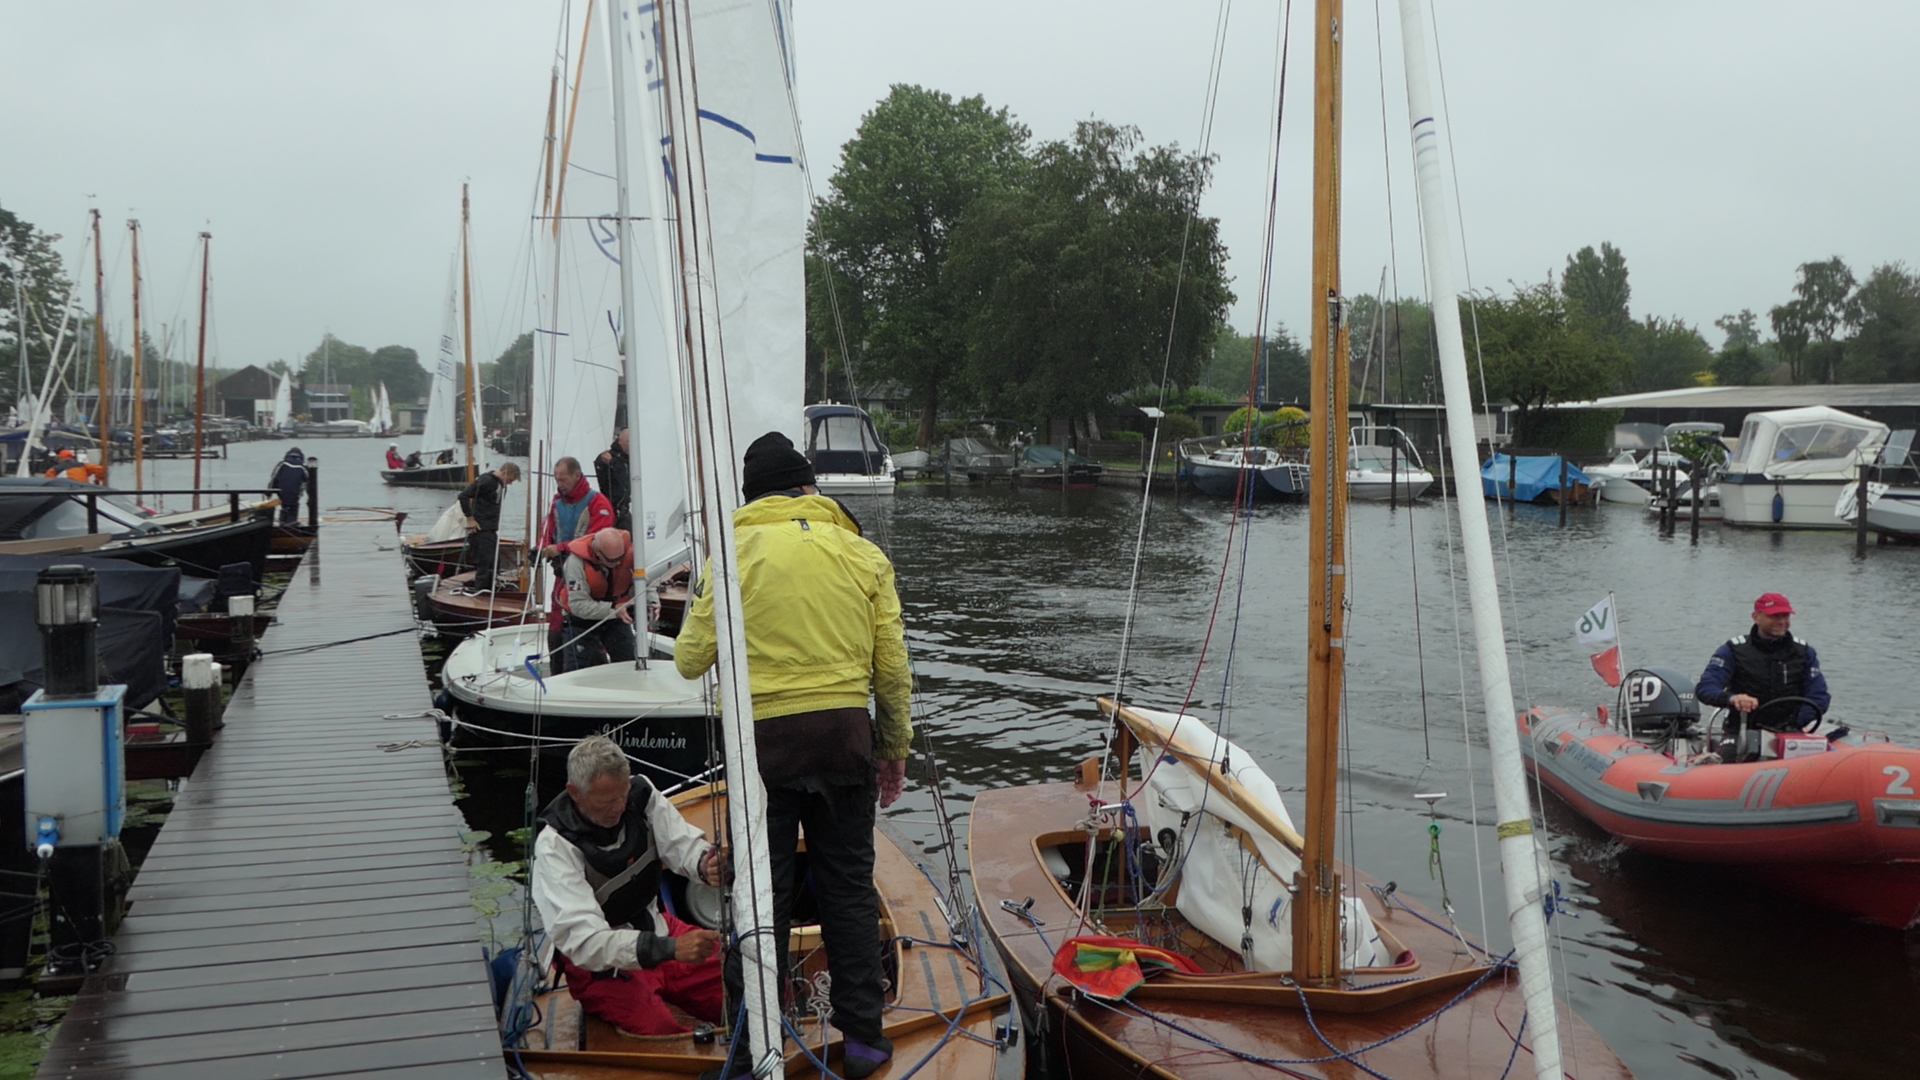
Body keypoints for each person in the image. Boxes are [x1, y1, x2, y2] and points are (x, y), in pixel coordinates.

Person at [675, 431, 912, 1080]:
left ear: (751, 498)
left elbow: (690, 659)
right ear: (809, 488)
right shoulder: (861, 553)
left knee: (762, 899)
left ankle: (753, 1046)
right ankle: (864, 1041)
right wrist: (893, 749)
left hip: (764, 751)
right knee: (849, 893)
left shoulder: (731, 555)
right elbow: (892, 668)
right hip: (846, 739)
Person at [530, 735, 724, 1038]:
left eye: (622, 796)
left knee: (747, 977)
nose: (619, 808)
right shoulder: (554, 847)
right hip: (601, 965)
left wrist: (705, 863)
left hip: (659, 930)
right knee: (660, 1032)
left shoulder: (640, 795)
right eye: (607, 801)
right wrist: (670, 949)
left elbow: (682, 845)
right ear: (575, 792)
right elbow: (585, 942)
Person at [1696, 591, 1830, 742]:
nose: (1781, 622)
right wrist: (1733, 699)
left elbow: (1818, 696)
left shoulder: (1804, 652)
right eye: (1775, 616)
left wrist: (1794, 724)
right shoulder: (1734, 650)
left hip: (1790, 733)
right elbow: (1706, 688)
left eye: (1785, 616)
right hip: (1742, 731)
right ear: (1756, 617)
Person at [540, 457, 615, 672]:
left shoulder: (598, 503)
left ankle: (588, 669)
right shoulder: (557, 503)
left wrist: (561, 548)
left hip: (588, 577)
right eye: (557, 479)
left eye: (563, 479)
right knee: (556, 627)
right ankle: (557, 673)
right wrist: (542, 547)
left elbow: (597, 540)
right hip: (562, 575)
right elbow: (548, 530)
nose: (560, 484)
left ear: (577, 476)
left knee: (583, 625)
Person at [560, 527, 637, 668]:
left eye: (620, 558)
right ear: (597, 552)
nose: (618, 563)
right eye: (612, 560)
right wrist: (614, 609)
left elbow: (645, 580)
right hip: (582, 621)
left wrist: (652, 602)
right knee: (579, 669)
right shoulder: (575, 563)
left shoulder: (631, 554)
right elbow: (578, 605)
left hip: (616, 617)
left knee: (628, 662)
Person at [457, 462, 520, 592]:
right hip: (481, 529)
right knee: (484, 565)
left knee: (494, 564)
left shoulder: (501, 486)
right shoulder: (487, 481)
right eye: (510, 480)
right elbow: (464, 495)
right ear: (504, 473)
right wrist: (470, 518)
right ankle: (481, 593)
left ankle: (490, 590)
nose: (510, 483)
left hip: (491, 529)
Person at [595, 428, 633, 533]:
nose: (630, 445)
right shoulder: (608, 457)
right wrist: (610, 462)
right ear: (619, 441)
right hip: (610, 510)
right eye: (628, 442)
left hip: (624, 510)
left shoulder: (631, 459)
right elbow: (600, 469)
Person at [269, 447, 307, 524]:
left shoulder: (282, 464)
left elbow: (274, 478)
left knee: (284, 505)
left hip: (282, 491)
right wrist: (310, 498)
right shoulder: (303, 468)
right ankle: (292, 522)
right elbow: (308, 482)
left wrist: (268, 493)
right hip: (295, 493)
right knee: (293, 506)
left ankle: (283, 522)